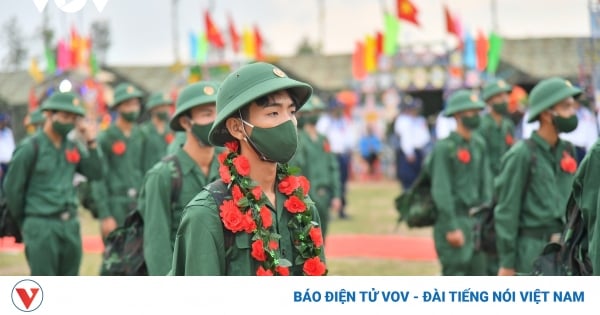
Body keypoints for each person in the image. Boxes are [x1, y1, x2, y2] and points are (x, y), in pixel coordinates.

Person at [169, 62, 326, 276]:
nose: (288, 122)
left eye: (291, 111)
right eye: (273, 113)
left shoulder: (302, 206)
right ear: (237, 127)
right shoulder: (206, 215)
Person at [2, 92, 102, 275]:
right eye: (64, 117)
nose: (69, 122)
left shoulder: (72, 146)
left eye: (73, 118)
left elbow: (95, 172)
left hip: (70, 225)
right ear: (49, 115)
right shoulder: (30, 147)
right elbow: (12, 189)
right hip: (41, 224)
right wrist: (26, 223)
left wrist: (91, 141)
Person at [494, 77, 580, 276]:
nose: (572, 112)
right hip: (532, 251)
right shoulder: (522, 154)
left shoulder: (568, 151)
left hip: (565, 249)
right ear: (546, 113)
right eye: (565, 106)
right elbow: (507, 211)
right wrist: (507, 263)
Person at [138, 81, 222, 276]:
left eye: (219, 113)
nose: (216, 120)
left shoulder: (230, 170)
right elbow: (156, 245)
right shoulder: (162, 176)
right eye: (207, 114)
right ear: (186, 122)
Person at [429, 89, 492, 276]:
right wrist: (451, 226)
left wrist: (486, 218)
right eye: (471, 112)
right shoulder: (445, 148)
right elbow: (442, 189)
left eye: (477, 111)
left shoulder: (478, 144)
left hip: (477, 222)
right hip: (455, 219)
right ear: (458, 115)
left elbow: (486, 183)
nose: (476, 116)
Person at [90, 82, 146, 237]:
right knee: (116, 256)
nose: (133, 109)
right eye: (128, 104)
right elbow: (98, 177)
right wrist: (105, 214)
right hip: (116, 204)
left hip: (140, 202)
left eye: (135, 104)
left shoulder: (141, 135)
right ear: (118, 107)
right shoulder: (106, 137)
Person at [289, 95, 342, 240]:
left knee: (322, 237)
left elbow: (333, 167)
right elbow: (296, 168)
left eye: (317, 112)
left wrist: (337, 194)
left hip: (324, 193)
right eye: (311, 113)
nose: (314, 116)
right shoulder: (299, 138)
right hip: (307, 195)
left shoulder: (323, 139)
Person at [316, 99, 356, 219]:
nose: (339, 111)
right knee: (328, 182)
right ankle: (327, 209)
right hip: (329, 155)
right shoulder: (325, 121)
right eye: (337, 108)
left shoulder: (344, 121)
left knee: (342, 182)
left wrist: (350, 149)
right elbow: (320, 138)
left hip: (342, 154)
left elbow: (350, 137)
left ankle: (341, 209)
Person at [393, 96, 431, 190]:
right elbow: (405, 137)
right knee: (408, 180)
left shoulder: (420, 120)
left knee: (418, 180)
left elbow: (425, 137)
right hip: (408, 153)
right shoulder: (403, 120)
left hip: (419, 151)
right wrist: (409, 152)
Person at [140, 92, 175, 172]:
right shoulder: (144, 131)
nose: (165, 110)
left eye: (167, 106)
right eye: (162, 106)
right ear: (153, 109)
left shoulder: (170, 130)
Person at [0, 112, 15, 182]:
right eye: (2, 121)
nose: (4, 123)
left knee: (10, 182)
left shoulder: (8, 132)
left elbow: (12, 146)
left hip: (10, 162)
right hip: (1, 164)